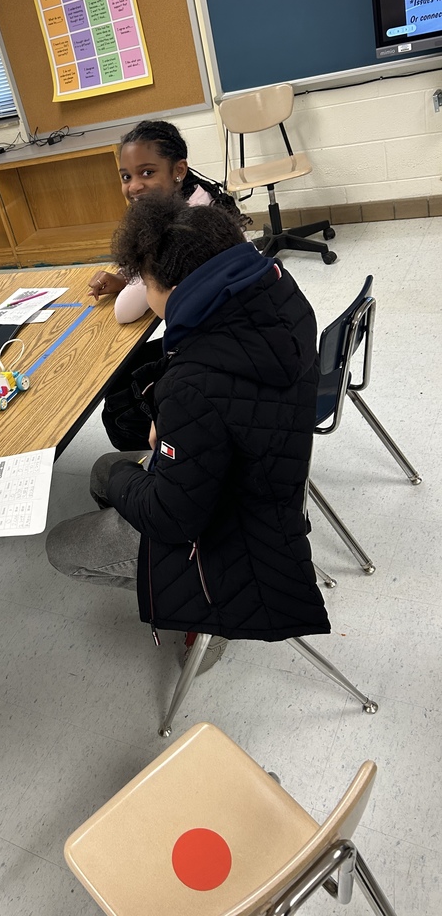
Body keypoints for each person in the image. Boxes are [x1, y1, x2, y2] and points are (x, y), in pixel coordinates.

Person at [47, 197, 330, 671]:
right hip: (272, 470)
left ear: (174, 287)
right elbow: (224, 392)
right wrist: (170, 422)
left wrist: (128, 473)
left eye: (145, 283)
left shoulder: (194, 385)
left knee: (66, 538)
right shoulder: (275, 291)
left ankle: (206, 611)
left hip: (236, 540)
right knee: (100, 471)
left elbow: (173, 518)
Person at [87, 118, 246, 324]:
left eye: (147, 173)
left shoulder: (187, 222)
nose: (134, 187)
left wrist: (134, 280)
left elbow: (125, 311)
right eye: (126, 177)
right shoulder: (188, 195)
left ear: (179, 171)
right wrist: (123, 277)